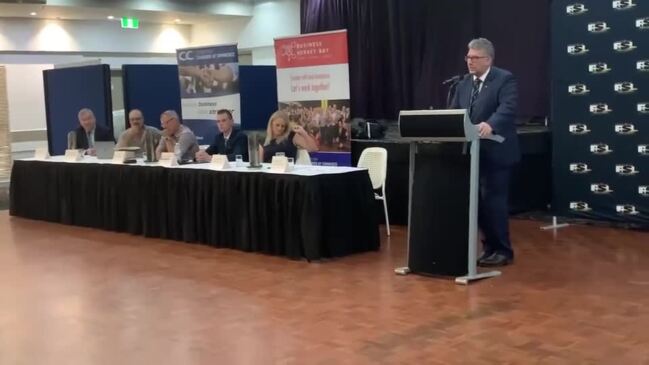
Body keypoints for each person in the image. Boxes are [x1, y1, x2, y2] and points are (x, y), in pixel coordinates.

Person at [450, 38, 520, 267]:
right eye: (468, 57)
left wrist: (490, 124)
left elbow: (507, 108)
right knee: (477, 203)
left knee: (494, 202)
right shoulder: (463, 85)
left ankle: (503, 250)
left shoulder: (504, 79)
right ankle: (489, 247)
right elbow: (454, 113)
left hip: (497, 152)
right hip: (472, 153)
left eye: (474, 57)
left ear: (488, 59)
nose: (469, 61)